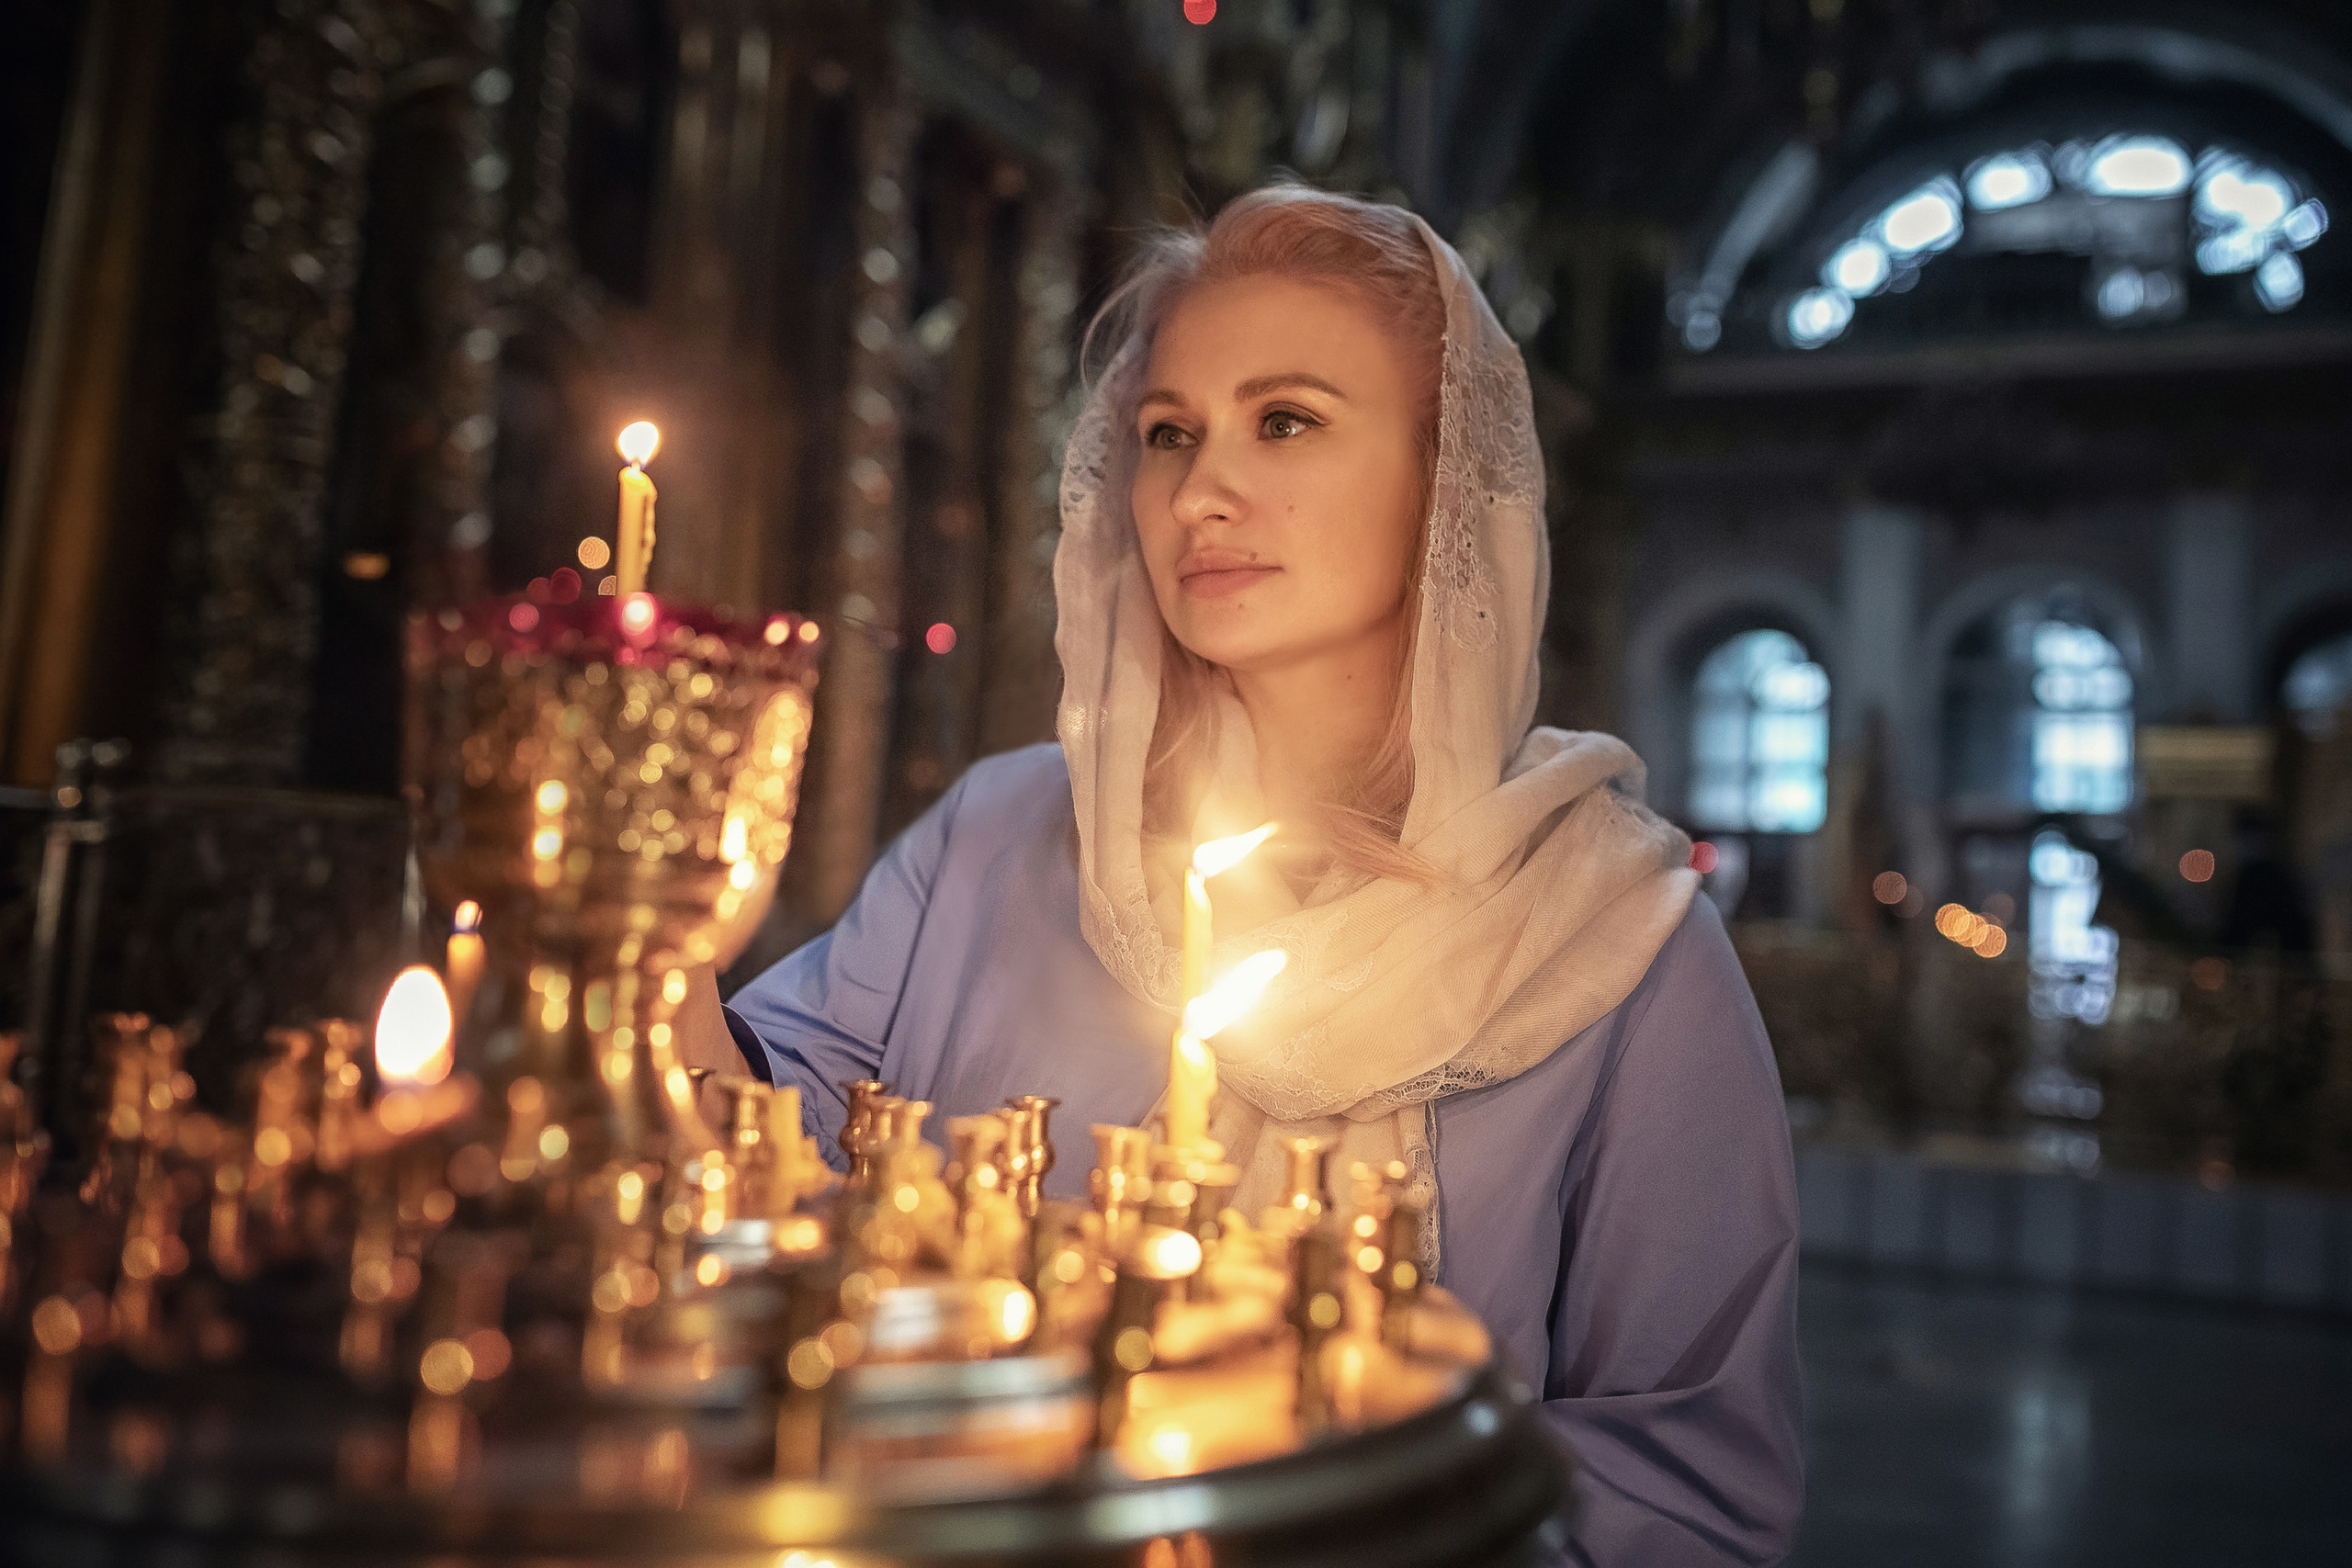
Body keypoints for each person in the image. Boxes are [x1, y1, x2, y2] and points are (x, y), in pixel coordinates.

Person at [679, 183, 1804, 1565]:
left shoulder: (1620, 949)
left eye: (1286, 420)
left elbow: (1684, 1498)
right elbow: (738, 1170)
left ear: (1447, 478)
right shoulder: (999, 841)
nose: (1202, 492)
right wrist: (637, 924)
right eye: (1167, 435)